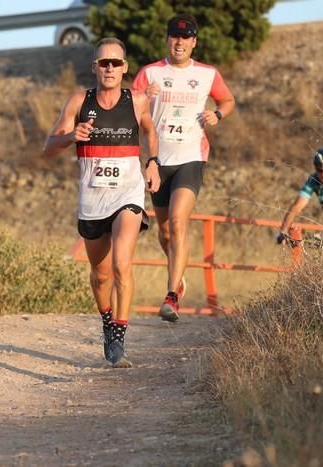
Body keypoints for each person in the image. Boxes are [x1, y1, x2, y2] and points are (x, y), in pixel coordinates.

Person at [42, 37, 160, 368]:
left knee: (122, 263)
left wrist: (153, 163)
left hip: (128, 194)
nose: (109, 68)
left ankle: (120, 337)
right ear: (95, 67)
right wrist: (70, 137)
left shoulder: (136, 101)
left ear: (125, 68)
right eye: (103, 63)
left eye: (116, 63)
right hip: (93, 200)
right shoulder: (79, 101)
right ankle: (107, 321)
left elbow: (150, 132)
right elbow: (47, 147)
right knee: (100, 273)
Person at [131, 14, 235, 322]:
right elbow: (129, 107)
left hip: (192, 156)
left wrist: (218, 114)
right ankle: (179, 274)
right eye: (174, 37)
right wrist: (140, 98)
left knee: (177, 222)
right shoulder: (150, 73)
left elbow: (228, 100)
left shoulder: (207, 74)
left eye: (185, 37)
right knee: (164, 231)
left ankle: (171, 296)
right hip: (158, 160)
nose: (179, 42)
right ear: (167, 40)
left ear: (194, 42)